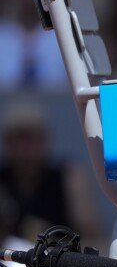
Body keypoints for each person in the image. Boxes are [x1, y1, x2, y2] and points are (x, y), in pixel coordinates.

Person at [0, 104, 104, 246]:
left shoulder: (69, 178)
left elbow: (91, 238)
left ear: (44, 141)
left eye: (30, 140)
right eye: (18, 140)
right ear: (7, 143)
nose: (24, 150)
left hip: (58, 262)